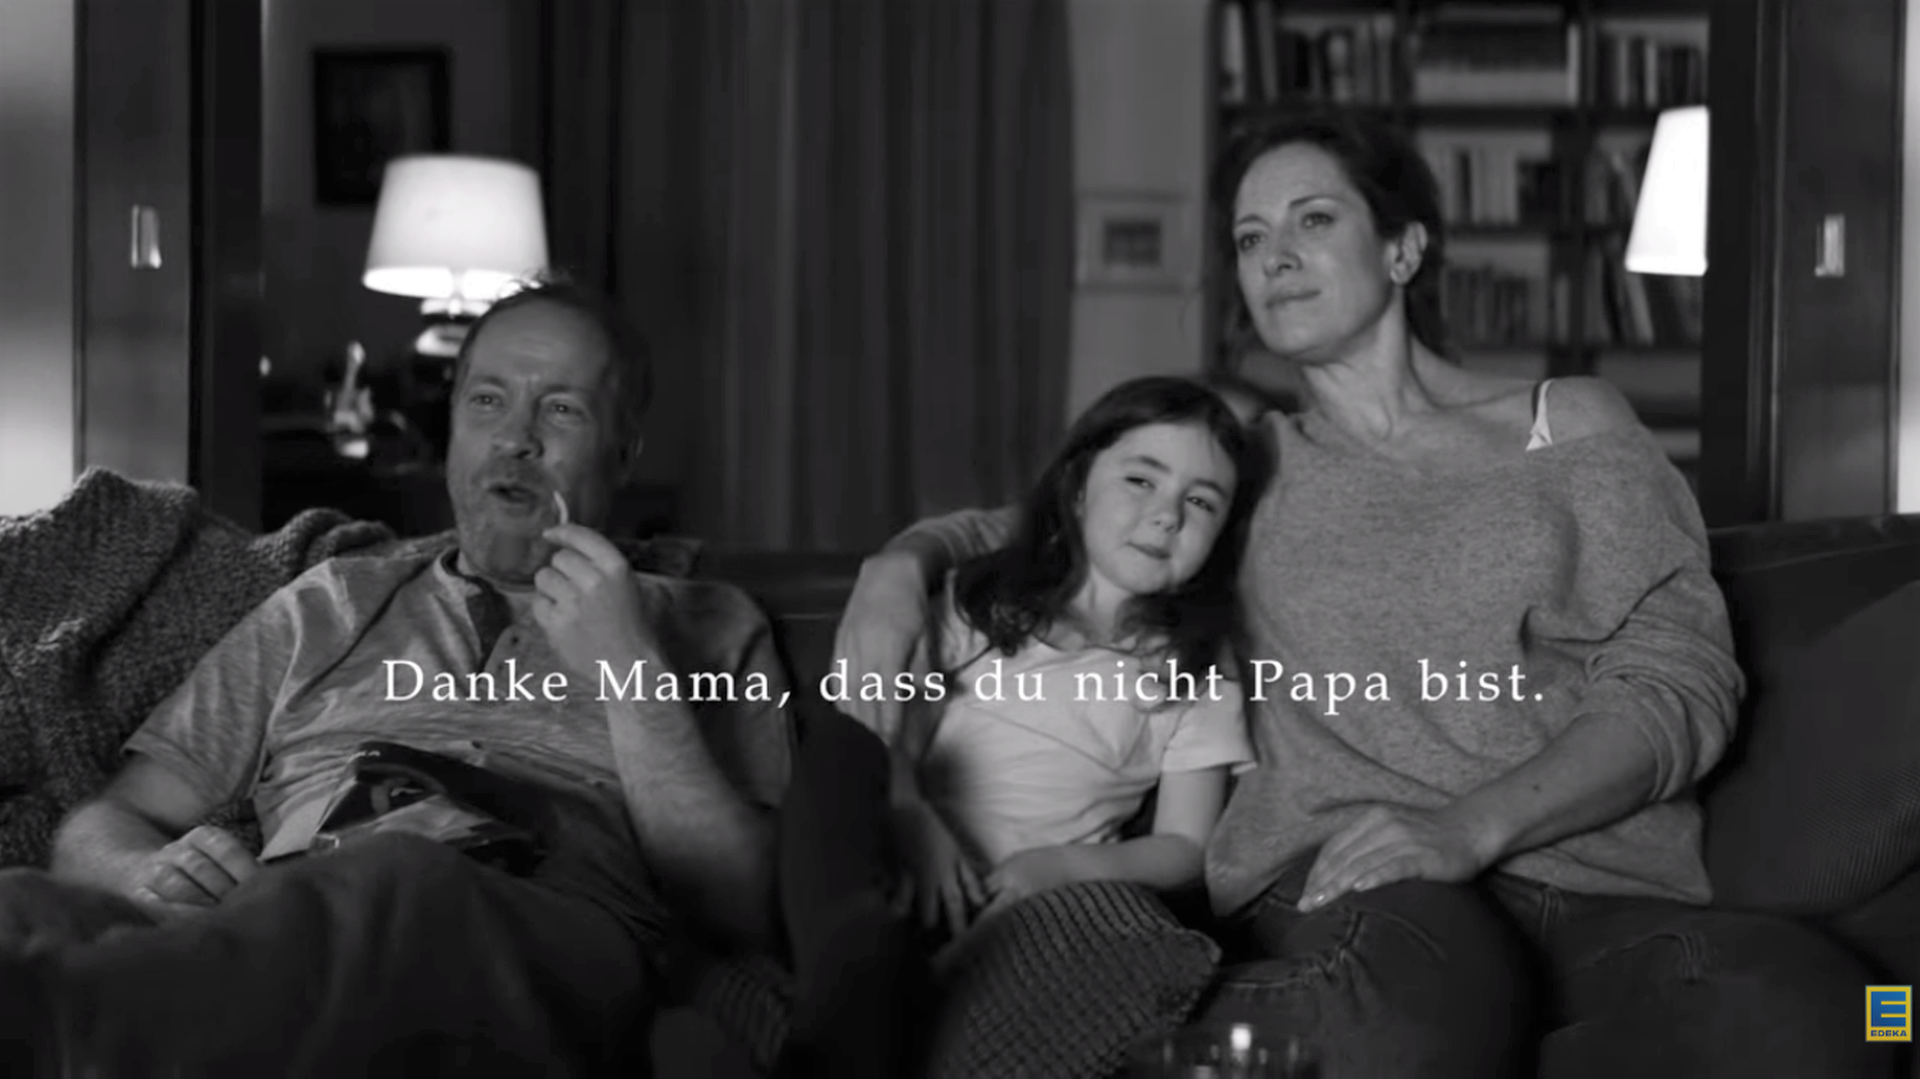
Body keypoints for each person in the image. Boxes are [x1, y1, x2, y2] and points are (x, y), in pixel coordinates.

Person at [831, 112, 1889, 1078]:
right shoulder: (1247, 467)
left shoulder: (1566, 425)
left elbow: (1679, 678)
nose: (1275, 255)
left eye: (1313, 218)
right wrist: (897, 568)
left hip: (1596, 887)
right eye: (1250, 238)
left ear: (1403, 249)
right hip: (1357, 886)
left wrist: (1470, 825)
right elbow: (1063, 520)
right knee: (1409, 1020)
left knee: (1845, 1015)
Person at [0, 278, 792, 1076]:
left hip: (536, 929)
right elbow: (109, 817)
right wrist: (136, 871)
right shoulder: (329, 601)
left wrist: (630, 671)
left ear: (623, 452)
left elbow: (741, 909)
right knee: (21, 907)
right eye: (487, 401)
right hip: (294, 926)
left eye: (561, 409)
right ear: (452, 431)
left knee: (402, 878)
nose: (515, 438)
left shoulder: (709, 623)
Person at [659, 376, 1264, 1078]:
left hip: (1021, 914)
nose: (1166, 515)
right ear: (1076, 487)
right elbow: (893, 732)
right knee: (844, 751)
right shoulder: (977, 599)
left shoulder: (1197, 667)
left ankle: (844, 1033)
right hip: (890, 873)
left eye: (1201, 501)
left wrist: (1063, 869)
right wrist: (911, 810)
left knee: (1137, 932)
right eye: (1141, 479)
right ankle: (852, 966)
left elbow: (1186, 845)